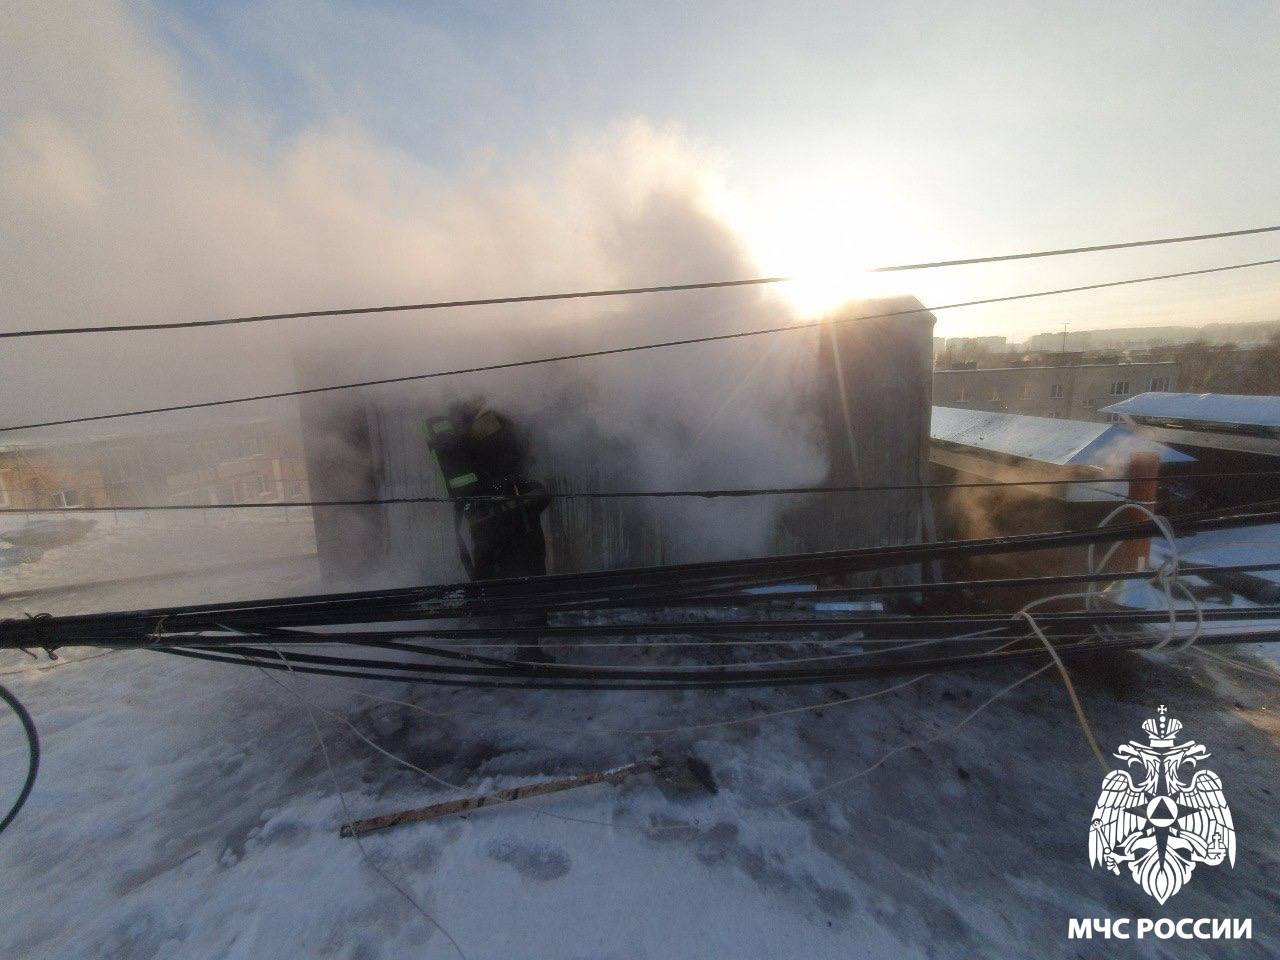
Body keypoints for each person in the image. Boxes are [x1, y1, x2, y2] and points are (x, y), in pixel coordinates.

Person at [426, 400, 553, 662]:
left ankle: (502, 629)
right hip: (513, 515)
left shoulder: (460, 436)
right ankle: (528, 650)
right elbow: (516, 461)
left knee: (497, 574)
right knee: (527, 577)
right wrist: (533, 489)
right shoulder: (491, 424)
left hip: (481, 519)